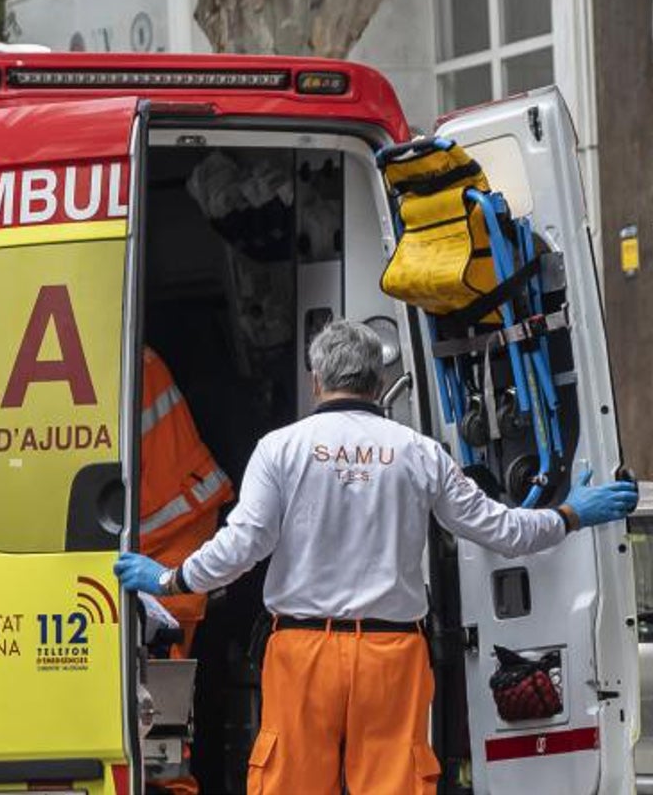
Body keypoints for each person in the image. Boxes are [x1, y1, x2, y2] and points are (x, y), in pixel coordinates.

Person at [116, 320, 638, 795]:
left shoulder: (281, 448)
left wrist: (169, 578)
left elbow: (240, 548)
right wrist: (572, 513)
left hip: (302, 652)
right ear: (376, 381)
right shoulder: (419, 451)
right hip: (392, 656)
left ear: (316, 380)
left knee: (288, 784)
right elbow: (501, 531)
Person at [140, 347, 234, 795]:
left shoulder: (111, 354)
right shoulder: (136, 356)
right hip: (172, 520)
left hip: (169, 531)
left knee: (158, 684)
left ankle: (171, 785)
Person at [140, 346, 234, 659]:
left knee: (159, 667)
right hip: (178, 512)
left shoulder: (114, 356)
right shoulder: (138, 357)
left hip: (169, 523)